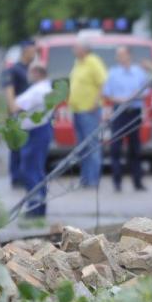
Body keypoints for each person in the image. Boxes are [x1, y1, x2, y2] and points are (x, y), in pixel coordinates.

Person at [102, 46, 149, 192]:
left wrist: (137, 95)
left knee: (135, 148)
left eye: (122, 55)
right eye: (118, 55)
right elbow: (106, 93)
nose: (119, 58)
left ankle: (137, 181)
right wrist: (119, 99)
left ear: (129, 56)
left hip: (134, 111)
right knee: (116, 148)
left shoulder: (139, 72)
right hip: (119, 111)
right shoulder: (113, 73)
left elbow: (146, 90)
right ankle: (117, 182)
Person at [12, 64, 54, 217]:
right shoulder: (44, 88)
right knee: (37, 170)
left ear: (36, 73)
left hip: (34, 132)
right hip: (41, 130)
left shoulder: (38, 90)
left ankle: (34, 208)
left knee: (29, 170)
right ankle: (39, 207)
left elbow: (16, 106)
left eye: (30, 71)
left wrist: (8, 91)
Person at [68, 36, 107, 188]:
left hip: (89, 110)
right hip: (77, 109)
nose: (73, 50)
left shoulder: (93, 61)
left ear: (84, 49)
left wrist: (95, 102)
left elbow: (103, 82)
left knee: (92, 146)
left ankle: (93, 180)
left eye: (75, 47)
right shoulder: (78, 62)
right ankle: (85, 179)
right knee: (81, 147)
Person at [2, 40, 36, 188]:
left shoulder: (33, 69)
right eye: (32, 50)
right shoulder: (15, 69)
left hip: (29, 115)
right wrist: (12, 108)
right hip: (18, 113)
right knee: (17, 147)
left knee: (27, 146)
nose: (34, 53)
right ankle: (16, 177)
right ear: (25, 51)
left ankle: (24, 174)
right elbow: (9, 89)